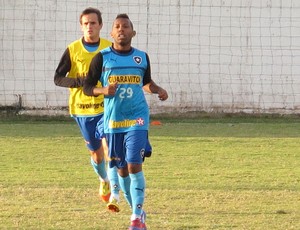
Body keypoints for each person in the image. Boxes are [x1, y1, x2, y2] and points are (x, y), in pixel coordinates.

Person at [83, 13, 168, 230]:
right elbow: (87, 87)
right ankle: (137, 211)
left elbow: (145, 82)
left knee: (133, 164)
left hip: (137, 118)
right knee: (121, 171)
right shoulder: (102, 58)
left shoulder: (142, 57)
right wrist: (103, 89)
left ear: (133, 32)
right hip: (113, 121)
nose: (121, 30)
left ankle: (136, 219)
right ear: (111, 33)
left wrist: (157, 89)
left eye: (126, 26)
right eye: (117, 27)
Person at [54, 7, 114, 206]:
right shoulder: (72, 49)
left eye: (93, 23)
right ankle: (103, 180)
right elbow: (58, 78)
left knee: (109, 148)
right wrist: (78, 82)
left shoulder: (108, 48)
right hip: (82, 109)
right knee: (96, 155)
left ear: (101, 25)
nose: (90, 26)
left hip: (105, 107)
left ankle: (115, 189)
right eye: (86, 23)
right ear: (81, 27)